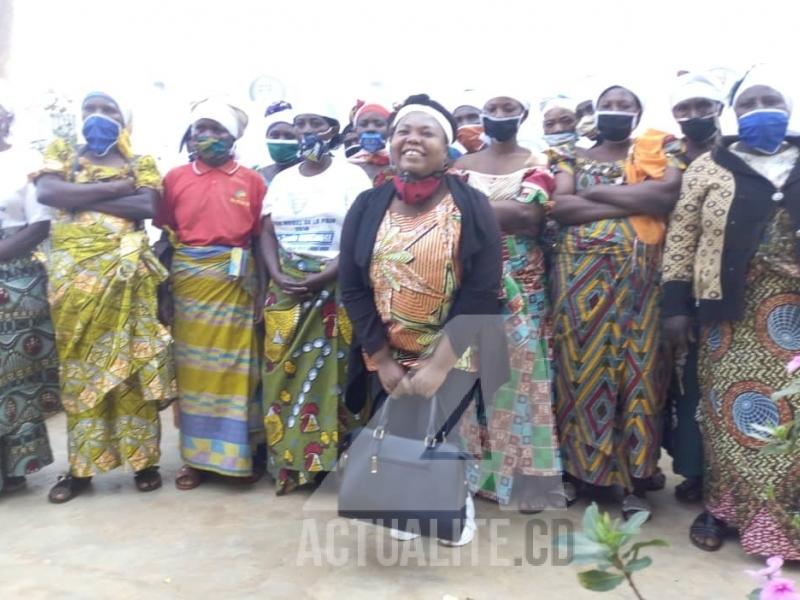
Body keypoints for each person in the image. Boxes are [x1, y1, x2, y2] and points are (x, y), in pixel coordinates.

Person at [340, 93, 506, 546]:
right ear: (391, 144)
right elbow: (353, 285)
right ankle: (404, 501)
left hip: (454, 346)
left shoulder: (471, 206)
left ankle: (454, 502)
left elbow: (481, 292)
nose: (412, 140)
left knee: (444, 430)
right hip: (388, 345)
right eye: (402, 132)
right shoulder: (366, 205)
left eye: (425, 132)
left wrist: (437, 365)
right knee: (401, 428)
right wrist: (381, 357)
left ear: (445, 145)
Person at [662, 69, 800, 559]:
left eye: (772, 99)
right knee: (729, 415)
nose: (761, 107)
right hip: (730, 315)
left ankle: (791, 521)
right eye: (750, 102)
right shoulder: (710, 167)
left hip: (796, 317)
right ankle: (723, 509)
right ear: (736, 114)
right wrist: (676, 308)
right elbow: (681, 241)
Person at [35, 90, 176, 503]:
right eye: (90, 109)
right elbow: (49, 195)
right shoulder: (63, 151)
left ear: (124, 118)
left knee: (131, 368)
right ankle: (80, 470)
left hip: (127, 282)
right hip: (74, 287)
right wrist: (120, 190)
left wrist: (83, 193)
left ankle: (144, 462)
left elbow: (148, 205)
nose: (98, 116)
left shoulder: (142, 162)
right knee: (81, 373)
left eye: (109, 110)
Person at [550, 83, 682, 519]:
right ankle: (577, 475)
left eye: (624, 105)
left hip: (640, 286)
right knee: (578, 374)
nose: (614, 110)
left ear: (638, 112)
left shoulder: (657, 150)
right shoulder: (569, 155)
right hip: (579, 282)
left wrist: (590, 196)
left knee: (639, 376)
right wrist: (630, 201)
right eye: (608, 104)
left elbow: (663, 196)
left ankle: (633, 481)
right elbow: (561, 208)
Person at [453, 92, 562, 512]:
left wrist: (470, 209)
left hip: (526, 282)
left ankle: (522, 478)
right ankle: (474, 472)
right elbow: (452, 213)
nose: (499, 115)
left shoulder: (538, 160)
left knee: (524, 378)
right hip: (472, 279)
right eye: (492, 109)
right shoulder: (462, 165)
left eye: (507, 108)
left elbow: (528, 218)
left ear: (523, 114)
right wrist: (503, 210)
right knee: (475, 373)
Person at [155, 98, 266, 490]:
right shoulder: (174, 178)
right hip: (189, 284)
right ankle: (196, 460)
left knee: (238, 371)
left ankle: (241, 454)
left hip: (237, 286)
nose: (209, 137)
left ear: (233, 137)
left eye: (218, 130)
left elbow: (260, 239)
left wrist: (261, 294)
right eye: (203, 129)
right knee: (194, 375)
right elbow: (166, 240)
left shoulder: (252, 181)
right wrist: (164, 294)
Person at [260, 104, 371, 494]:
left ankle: (333, 466)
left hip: (334, 287)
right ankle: (291, 464)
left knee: (336, 379)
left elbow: (361, 233)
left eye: (316, 124)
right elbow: (268, 232)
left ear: (332, 130)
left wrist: (325, 275)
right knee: (281, 375)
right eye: (300, 125)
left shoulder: (351, 176)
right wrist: (275, 273)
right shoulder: (283, 180)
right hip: (285, 289)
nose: (307, 131)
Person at [662, 72, 726, 504]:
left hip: (727, 285)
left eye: (703, 106)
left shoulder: (734, 155)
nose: (694, 116)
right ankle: (694, 472)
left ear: (720, 109)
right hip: (674, 281)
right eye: (684, 109)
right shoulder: (668, 154)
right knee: (686, 384)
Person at [0, 91, 60, 495]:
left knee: (13, 378)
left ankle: (15, 467)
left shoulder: (25, 164)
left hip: (16, 279)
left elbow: (40, 225)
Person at [348, 101, 392, 182]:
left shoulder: (398, 164)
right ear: (355, 130)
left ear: (390, 130)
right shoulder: (347, 166)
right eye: (364, 125)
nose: (370, 129)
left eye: (378, 124)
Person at [259, 100, 300, 187]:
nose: (281, 140)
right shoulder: (257, 176)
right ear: (267, 137)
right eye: (275, 135)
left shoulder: (310, 170)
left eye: (289, 136)